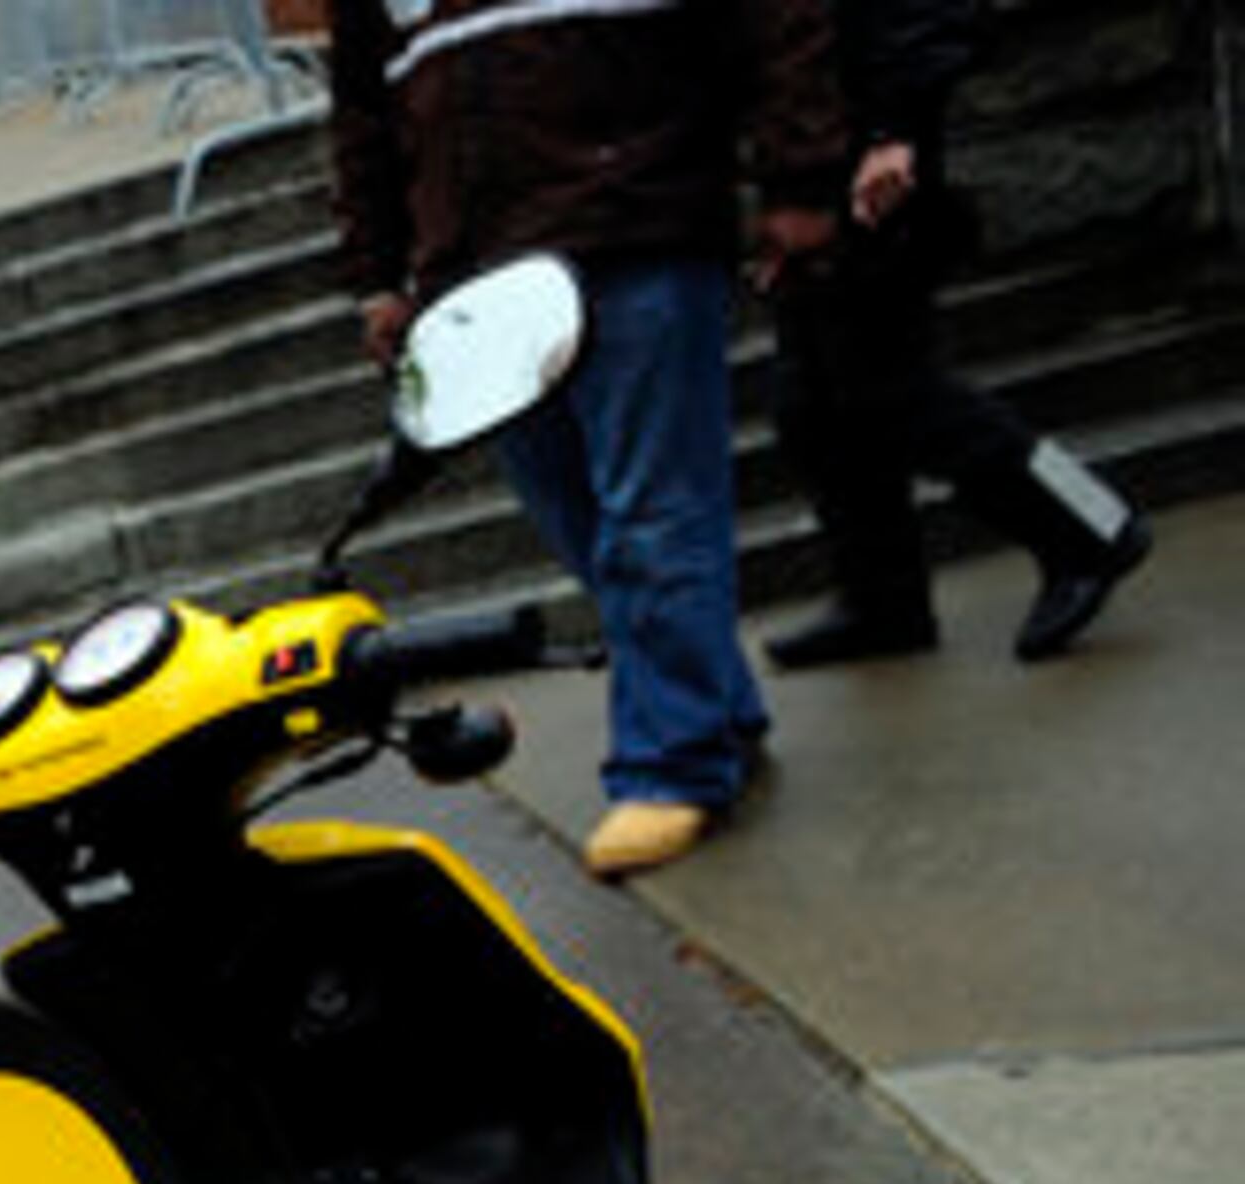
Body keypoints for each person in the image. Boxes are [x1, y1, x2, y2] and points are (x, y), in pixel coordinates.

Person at [328, 0, 848, 879]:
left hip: (633, 225)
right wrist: (377, 274)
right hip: (477, 275)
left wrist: (800, 175)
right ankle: (714, 707)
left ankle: (672, 763)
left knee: (653, 512)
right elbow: (362, 107)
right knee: (575, 514)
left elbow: (776, 17)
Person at [764, 0, 1153, 669]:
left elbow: (921, 18)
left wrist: (895, 129)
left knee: (891, 386)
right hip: (819, 149)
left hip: (868, 156)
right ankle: (883, 600)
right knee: (816, 400)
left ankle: (1093, 526)